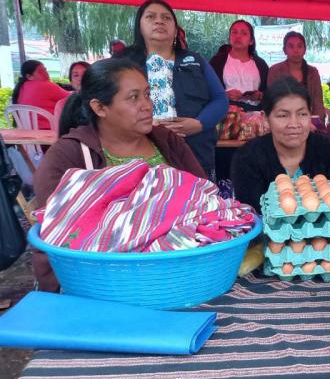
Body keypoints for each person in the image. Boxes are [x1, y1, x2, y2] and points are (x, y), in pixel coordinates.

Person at [32, 58, 206, 292]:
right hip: (101, 283)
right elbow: (58, 233)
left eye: (147, 94)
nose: (147, 105)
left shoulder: (167, 141)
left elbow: (204, 197)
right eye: (133, 97)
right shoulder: (69, 156)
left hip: (177, 275)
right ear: (99, 107)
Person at [117, 0, 228, 178]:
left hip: (195, 153)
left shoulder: (195, 60)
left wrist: (199, 124)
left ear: (176, 30)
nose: (159, 21)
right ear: (139, 27)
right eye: (151, 17)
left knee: (197, 203)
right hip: (139, 155)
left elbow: (220, 99)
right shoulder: (122, 64)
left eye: (167, 18)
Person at [231, 77, 330, 214]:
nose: (294, 124)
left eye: (302, 114)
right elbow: (252, 214)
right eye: (283, 116)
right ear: (265, 119)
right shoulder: (247, 158)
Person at [267, 31, 327, 127]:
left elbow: (318, 101)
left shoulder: (312, 72)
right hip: (283, 123)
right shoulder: (275, 70)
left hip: (308, 124)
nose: (296, 50)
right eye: (291, 46)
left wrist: (318, 125)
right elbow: (271, 100)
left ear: (305, 50)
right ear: (284, 50)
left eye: (299, 46)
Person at [209, 20, 270, 112]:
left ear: (251, 41)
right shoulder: (217, 61)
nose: (238, 36)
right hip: (225, 113)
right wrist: (225, 95)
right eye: (234, 32)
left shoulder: (261, 64)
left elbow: (269, 92)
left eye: (244, 33)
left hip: (254, 116)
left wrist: (260, 95)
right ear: (229, 38)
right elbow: (206, 88)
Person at [11, 60, 70, 130]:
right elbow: (72, 98)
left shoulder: (21, 87)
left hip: (27, 131)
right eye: (40, 72)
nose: (46, 73)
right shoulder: (46, 86)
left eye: (45, 70)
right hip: (51, 130)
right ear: (29, 76)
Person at [54, 61, 91, 131]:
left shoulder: (103, 101)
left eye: (85, 74)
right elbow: (59, 135)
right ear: (71, 81)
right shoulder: (62, 104)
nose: (80, 79)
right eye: (76, 75)